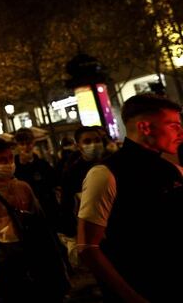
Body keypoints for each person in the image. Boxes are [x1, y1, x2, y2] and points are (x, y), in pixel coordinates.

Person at [77, 94, 183, 302]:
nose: (180, 132)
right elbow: (88, 248)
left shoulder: (172, 170)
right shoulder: (105, 174)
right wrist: (132, 298)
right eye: (173, 125)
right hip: (141, 287)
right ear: (145, 127)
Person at [0, 138, 69, 302]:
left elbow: (42, 224)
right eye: (2, 160)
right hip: (8, 267)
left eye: (11, 158)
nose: (9, 163)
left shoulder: (23, 187)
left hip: (35, 258)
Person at [58, 126, 106, 238]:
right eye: (87, 141)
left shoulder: (113, 164)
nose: (93, 145)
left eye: (97, 140)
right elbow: (67, 205)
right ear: (79, 146)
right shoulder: (72, 173)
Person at [13, 127, 60, 229]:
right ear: (17, 145)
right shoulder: (13, 166)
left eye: (28, 143)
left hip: (48, 209)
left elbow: (54, 181)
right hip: (27, 212)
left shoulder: (42, 163)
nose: (26, 147)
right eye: (22, 144)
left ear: (33, 143)